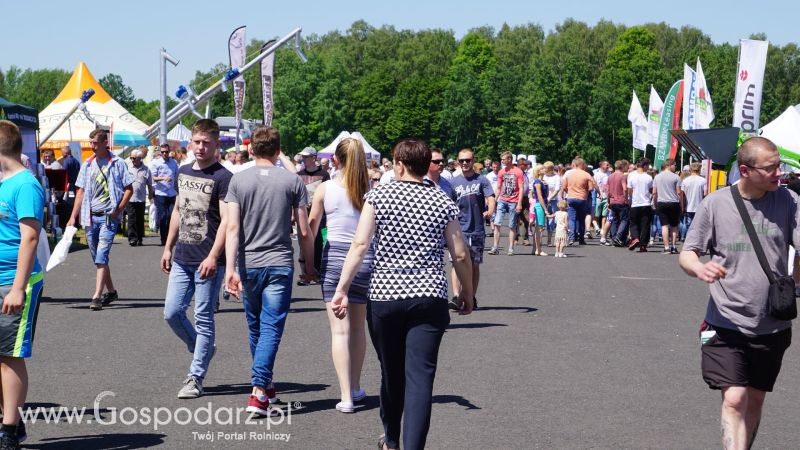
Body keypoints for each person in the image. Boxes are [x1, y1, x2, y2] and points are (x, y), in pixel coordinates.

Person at [331, 138, 473, 450]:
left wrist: (342, 288)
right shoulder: (442, 202)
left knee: (391, 372)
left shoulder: (378, 196)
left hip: (385, 297)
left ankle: (391, 439)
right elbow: (460, 255)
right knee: (420, 378)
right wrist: (467, 293)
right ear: (427, 166)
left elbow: (359, 245)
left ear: (398, 163)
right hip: (429, 297)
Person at [678, 137, 798, 450]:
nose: (778, 172)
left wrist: (795, 279)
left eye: (779, 165)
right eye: (770, 167)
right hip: (723, 321)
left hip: (772, 324)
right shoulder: (716, 203)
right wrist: (699, 268)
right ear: (745, 170)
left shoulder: (789, 201)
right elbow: (688, 252)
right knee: (735, 398)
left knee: (755, 399)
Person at [224, 126, 317, 417]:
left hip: (248, 262)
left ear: (251, 149)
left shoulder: (238, 180)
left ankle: (266, 382)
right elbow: (303, 231)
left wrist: (230, 268)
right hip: (279, 262)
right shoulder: (292, 181)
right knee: (271, 327)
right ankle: (259, 391)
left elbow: (232, 227)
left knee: (256, 326)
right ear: (278, 151)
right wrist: (309, 265)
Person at [161, 119, 232, 399]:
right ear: (190, 142)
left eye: (206, 143)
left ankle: (196, 376)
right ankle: (201, 347)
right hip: (182, 255)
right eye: (197, 141)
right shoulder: (183, 171)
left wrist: (215, 256)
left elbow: (227, 221)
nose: (200, 147)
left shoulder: (223, 177)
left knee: (203, 318)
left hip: (208, 259)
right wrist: (168, 246)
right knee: (172, 312)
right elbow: (178, 210)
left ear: (216, 145)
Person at [308, 138, 373, 413]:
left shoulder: (325, 188)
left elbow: (311, 226)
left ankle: (346, 395)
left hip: (334, 257)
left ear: (335, 160)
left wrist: (307, 262)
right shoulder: (370, 189)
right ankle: (356, 387)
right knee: (358, 329)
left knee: (339, 330)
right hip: (363, 258)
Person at [0, 121, 45, 448]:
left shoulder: (25, 185)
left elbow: (29, 237)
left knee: (9, 355)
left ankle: (10, 430)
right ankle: (9, 416)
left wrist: (18, 288)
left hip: (15, 280)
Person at [66, 129, 133, 310]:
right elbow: (80, 191)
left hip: (108, 218)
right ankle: (111, 291)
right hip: (90, 217)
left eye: (95, 143)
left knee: (102, 255)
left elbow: (129, 189)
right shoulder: (87, 164)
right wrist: (73, 216)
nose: (92, 146)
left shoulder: (117, 163)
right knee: (98, 258)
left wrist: (118, 210)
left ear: (105, 143)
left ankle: (96, 297)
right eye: (90, 143)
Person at [450, 148, 495, 311]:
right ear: (457, 161)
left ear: (473, 160)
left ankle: (471, 296)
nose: (464, 163)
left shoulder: (481, 180)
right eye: (461, 160)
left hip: (476, 228)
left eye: (467, 160)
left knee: (474, 264)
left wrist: (490, 210)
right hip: (458, 228)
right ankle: (456, 296)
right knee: (456, 263)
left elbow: (490, 197)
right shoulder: (453, 182)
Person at [296, 146, 331, 285]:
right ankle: (305, 273)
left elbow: (327, 194)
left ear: (313, 158)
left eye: (306, 157)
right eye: (302, 157)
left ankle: (316, 272)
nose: (303, 159)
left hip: (320, 214)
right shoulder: (299, 174)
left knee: (317, 243)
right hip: (303, 213)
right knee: (303, 242)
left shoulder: (324, 174)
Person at [489, 151, 524, 255]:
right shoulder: (501, 172)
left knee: (512, 225)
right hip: (502, 200)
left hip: (513, 201)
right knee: (496, 223)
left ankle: (511, 248)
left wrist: (519, 203)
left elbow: (521, 188)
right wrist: (494, 202)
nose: (502, 161)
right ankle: (495, 247)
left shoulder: (518, 172)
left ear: (509, 159)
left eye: (504, 159)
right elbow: (498, 188)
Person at [561, 157, 595, 246]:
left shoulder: (568, 174)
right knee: (581, 219)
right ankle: (581, 239)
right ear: (582, 165)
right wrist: (585, 191)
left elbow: (564, 187)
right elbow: (591, 188)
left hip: (571, 198)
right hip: (582, 198)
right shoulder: (587, 175)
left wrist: (569, 192)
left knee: (571, 219)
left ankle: (572, 238)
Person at [125, 149, 154, 246]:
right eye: (131, 158)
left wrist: (150, 196)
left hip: (141, 198)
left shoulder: (146, 169)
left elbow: (150, 184)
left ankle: (140, 237)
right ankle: (132, 238)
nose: (132, 160)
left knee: (140, 219)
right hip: (130, 198)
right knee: (131, 218)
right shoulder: (128, 168)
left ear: (140, 159)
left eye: (134, 158)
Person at [653, 159, 681, 254]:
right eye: (675, 165)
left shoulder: (657, 177)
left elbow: (654, 192)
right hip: (673, 203)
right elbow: (678, 192)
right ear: (669, 165)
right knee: (674, 226)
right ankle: (673, 246)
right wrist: (681, 204)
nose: (675, 167)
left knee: (664, 225)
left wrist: (655, 203)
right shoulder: (676, 177)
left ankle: (666, 247)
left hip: (662, 202)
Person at [152, 143, 178, 246]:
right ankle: (164, 238)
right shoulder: (156, 163)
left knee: (171, 216)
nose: (164, 154)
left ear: (169, 151)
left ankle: (170, 238)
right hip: (160, 193)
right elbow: (153, 177)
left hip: (171, 193)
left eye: (166, 152)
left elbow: (177, 175)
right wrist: (163, 178)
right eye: (162, 152)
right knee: (162, 217)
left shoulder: (174, 163)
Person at [626, 158, 653, 252]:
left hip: (635, 203)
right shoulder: (649, 177)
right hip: (646, 203)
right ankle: (643, 245)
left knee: (633, 223)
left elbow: (629, 190)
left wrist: (630, 199)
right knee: (645, 224)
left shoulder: (631, 176)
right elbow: (651, 190)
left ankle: (635, 238)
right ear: (645, 166)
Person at [680, 162, 707, 239]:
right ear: (699, 169)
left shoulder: (685, 181)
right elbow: (705, 194)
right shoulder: (703, 180)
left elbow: (682, 195)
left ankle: (689, 240)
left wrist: (682, 206)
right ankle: (696, 240)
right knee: (698, 226)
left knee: (689, 226)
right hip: (699, 207)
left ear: (690, 169)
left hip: (688, 207)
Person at [607, 160, 630, 247]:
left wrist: (609, 201)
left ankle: (613, 237)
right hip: (621, 201)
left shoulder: (610, 176)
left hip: (612, 201)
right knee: (624, 220)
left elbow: (608, 191)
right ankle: (618, 236)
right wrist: (626, 199)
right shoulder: (622, 176)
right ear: (621, 167)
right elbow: (625, 189)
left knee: (614, 220)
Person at [529, 164, 549, 256]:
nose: (544, 169)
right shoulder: (537, 182)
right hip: (540, 205)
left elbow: (546, 194)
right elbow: (540, 196)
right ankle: (538, 249)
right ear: (538, 171)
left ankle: (535, 248)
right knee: (539, 228)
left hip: (542, 204)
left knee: (538, 227)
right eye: (542, 169)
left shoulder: (543, 181)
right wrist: (545, 208)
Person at [542, 161, 561, 246]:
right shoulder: (543, 176)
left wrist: (549, 198)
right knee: (541, 219)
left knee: (551, 220)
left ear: (551, 169)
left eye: (545, 168)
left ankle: (549, 240)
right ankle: (539, 239)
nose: (544, 170)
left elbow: (557, 190)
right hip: (543, 200)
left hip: (553, 200)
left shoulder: (557, 177)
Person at [593, 160, 611, 244]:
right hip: (598, 197)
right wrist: (597, 193)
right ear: (601, 165)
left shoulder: (609, 174)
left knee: (605, 215)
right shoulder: (597, 175)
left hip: (606, 197)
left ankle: (603, 230)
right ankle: (597, 227)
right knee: (596, 215)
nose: (608, 166)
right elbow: (594, 184)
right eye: (606, 165)